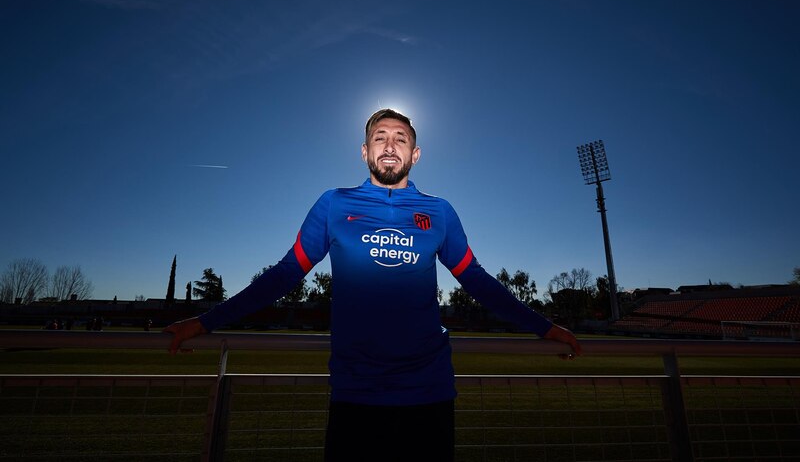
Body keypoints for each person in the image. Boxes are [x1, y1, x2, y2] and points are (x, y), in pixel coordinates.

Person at [164, 108, 582, 461]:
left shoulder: (439, 212)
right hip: (356, 391)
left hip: (428, 390)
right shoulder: (334, 203)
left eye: (400, 138)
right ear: (364, 151)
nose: (389, 144)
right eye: (379, 137)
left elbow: (477, 280)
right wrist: (206, 321)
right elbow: (284, 274)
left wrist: (546, 327)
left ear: (415, 154)